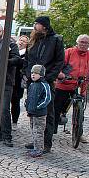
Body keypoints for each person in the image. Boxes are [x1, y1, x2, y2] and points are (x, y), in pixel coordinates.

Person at [24, 16, 65, 153]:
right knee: (32, 110)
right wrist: (27, 73)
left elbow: (59, 61)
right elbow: (28, 58)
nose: (35, 26)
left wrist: (48, 77)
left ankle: (46, 143)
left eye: (37, 24)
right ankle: (36, 141)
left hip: (46, 81)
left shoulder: (55, 40)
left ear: (44, 26)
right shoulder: (34, 39)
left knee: (47, 112)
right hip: (32, 80)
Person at [53, 34, 89, 135]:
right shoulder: (69, 52)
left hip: (81, 85)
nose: (83, 44)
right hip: (65, 84)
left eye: (86, 43)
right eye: (82, 42)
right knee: (57, 107)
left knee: (80, 110)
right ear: (77, 42)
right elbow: (59, 63)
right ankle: (51, 130)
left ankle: (78, 133)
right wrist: (60, 74)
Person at [25, 64, 52, 158]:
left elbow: (47, 98)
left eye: (36, 73)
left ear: (41, 74)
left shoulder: (44, 85)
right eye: (32, 73)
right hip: (32, 112)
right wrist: (27, 105)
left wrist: (38, 106)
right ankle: (35, 146)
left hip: (39, 113)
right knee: (33, 130)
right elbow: (29, 97)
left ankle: (39, 149)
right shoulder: (32, 84)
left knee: (38, 131)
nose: (33, 75)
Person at [11, 34, 29, 129]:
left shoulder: (27, 54)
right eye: (20, 40)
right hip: (9, 79)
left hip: (18, 81)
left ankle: (14, 121)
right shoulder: (12, 50)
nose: (21, 42)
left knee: (15, 101)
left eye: (24, 41)